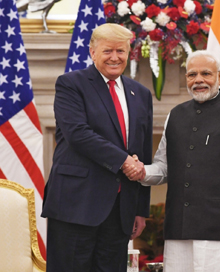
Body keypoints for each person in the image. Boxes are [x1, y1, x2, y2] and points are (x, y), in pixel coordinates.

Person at [124, 50, 220, 272]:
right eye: (192, 74)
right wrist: (142, 171)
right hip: (178, 233)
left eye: (206, 74)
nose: (198, 80)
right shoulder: (175, 115)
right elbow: (164, 168)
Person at [41, 23, 153, 272]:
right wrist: (124, 161)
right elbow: (78, 134)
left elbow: (143, 153)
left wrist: (139, 210)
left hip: (120, 210)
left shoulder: (141, 93)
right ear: (92, 52)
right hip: (76, 205)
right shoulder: (71, 84)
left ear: (129, 53)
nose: (115, 57)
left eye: (121, 51)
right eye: (107, 51)